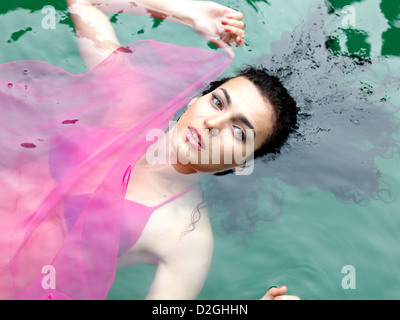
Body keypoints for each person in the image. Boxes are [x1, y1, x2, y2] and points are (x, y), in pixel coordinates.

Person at [0, 0, 299, 300]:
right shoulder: (131, 104)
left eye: (238, 131)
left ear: (240, 163)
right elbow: (84, 3)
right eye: (218, 102)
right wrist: (187, 14)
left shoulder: (186, 236)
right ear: (197, 97)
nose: (212, 123)